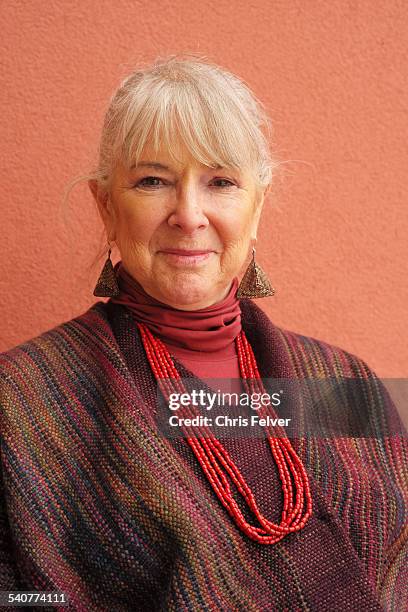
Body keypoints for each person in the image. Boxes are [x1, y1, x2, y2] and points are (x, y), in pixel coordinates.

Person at [0, 54, 406, 612]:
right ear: (106, 205)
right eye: (152, 181)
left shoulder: (346, 382)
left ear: (257, 207)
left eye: (220, 182)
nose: (189, 215)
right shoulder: (21, 400)